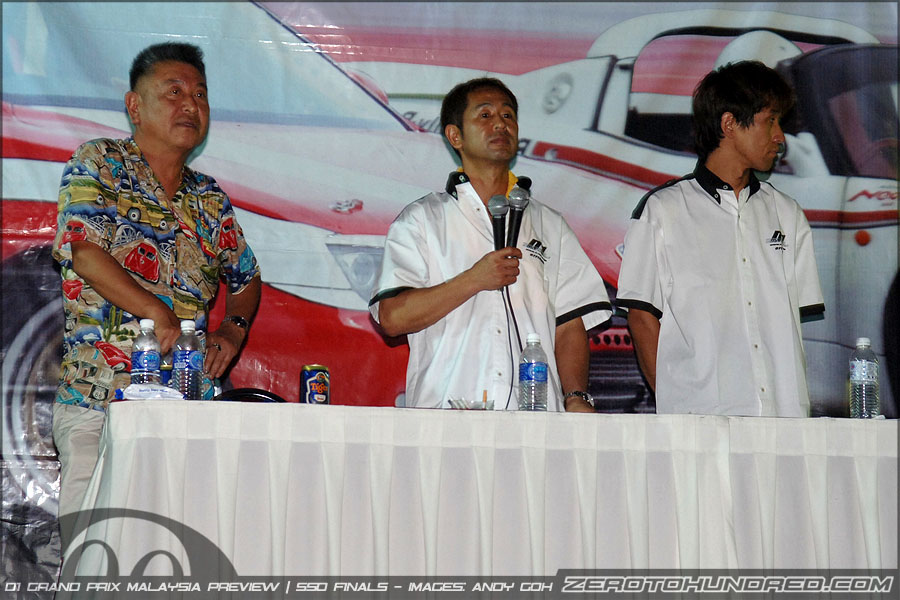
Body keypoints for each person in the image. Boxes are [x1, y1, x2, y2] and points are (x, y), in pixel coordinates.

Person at [51, 42, 261, 548]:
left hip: (190, 409)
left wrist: (233, 330)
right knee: (94, 555)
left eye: (200, 95)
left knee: (183, 555)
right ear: (135, 106)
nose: (190, 105)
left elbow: (247, 277)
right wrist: (156, 311)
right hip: (101, 401)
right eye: (174, 92)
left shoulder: (209, 198)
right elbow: (85, 253)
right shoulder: (100, 162)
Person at [369, 78, 611, 412]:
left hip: (536, 417)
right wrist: (474, 279)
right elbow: (392, 318)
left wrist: (576, 396)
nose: (500, 124)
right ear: (455, 136)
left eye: (508, 115)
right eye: (485, 115)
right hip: (448, 414)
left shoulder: (550, 224)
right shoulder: (422, 219)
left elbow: (570, 325)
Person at [617, 60, 824, 416]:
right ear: (729, 124)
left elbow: (798, 324)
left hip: (785, 421)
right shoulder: (663, 210)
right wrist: (676, 408)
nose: (780, 138)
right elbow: (641, 318)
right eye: (770, 120)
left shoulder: (788, 214)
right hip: (701, 423)